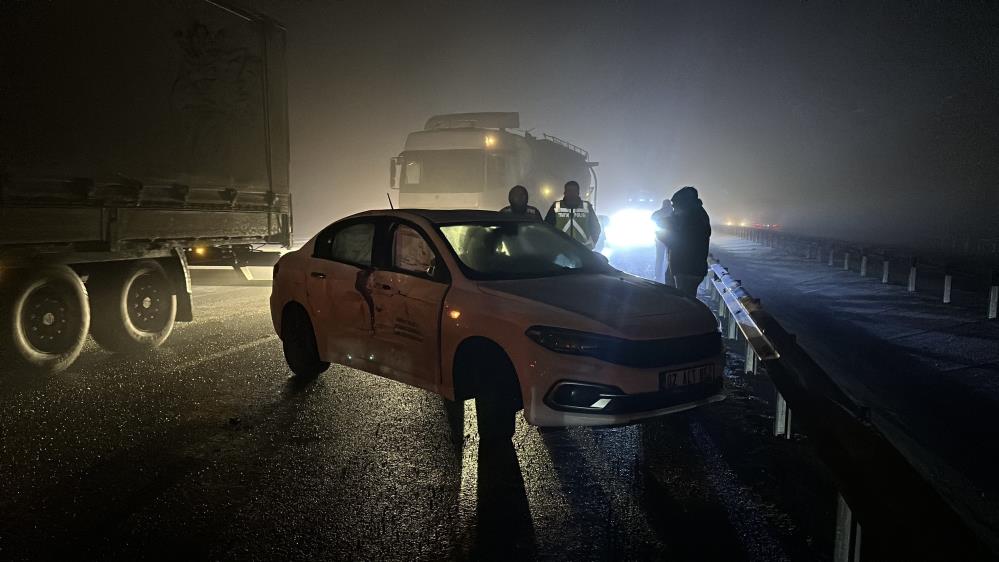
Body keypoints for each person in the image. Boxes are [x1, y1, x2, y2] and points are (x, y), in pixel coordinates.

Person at [662, 186, 711, 296]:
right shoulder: (696, 214)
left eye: (675, 206)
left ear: (683, 204)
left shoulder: (691, 218)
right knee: (683, 301)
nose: (674, 210)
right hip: (691, 268)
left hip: (687, 269)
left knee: (683, 303)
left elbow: (680, 243)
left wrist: (663, 236)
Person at [544, 180, 601, 249]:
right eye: (569, 191)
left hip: (582, 250)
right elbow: (547, 227)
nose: (571, 193)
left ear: (578, 193)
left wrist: (591, 244)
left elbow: (596, 227)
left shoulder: (587, 207)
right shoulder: (556, 206)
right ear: (564, 193)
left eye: (574, 191)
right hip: (560, 250)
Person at [651, 198, 673, 284]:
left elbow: (652, 217)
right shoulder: (673, 213)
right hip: (671, 239)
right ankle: (669, 275)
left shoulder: (659, 213)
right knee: (670, 258)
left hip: (660, 238)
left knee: (659, 258)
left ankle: (658, 275)